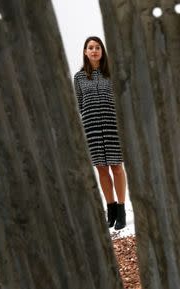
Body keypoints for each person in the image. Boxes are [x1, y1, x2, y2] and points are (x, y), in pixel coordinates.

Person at [73, 36, 127, 230]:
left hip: (113, 126)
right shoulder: (79, 77)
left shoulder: (112, 74)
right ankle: (110, 209)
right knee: (102, 170)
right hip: (92, 128)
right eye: (90, 48)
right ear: (85, 52)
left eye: (97, 47)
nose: (94, 50)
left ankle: (121, 210)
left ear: (102, 51)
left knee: (117, 167)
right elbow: (80, 104)